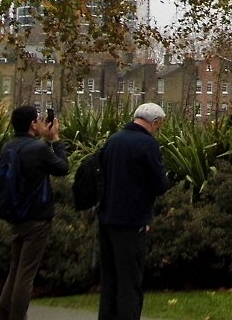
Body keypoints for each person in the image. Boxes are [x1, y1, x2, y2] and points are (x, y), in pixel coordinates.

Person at [97, 102, 173, 320]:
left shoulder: (113, 140)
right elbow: (160, 185)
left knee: (110, 281)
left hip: (107, 219)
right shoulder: (148, 145)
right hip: (132, 222)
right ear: (155, 122)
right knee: (130, 282)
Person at [0, 104, 69, 320]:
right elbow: (62, 168)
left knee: (15, 269)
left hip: (15, 214)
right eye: (37, 120)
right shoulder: (38, 149)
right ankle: (18, 316)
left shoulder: (9, 147)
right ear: (32, 125)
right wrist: (55, 139)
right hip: (36, 218)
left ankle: (3, 315)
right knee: (26, 274)